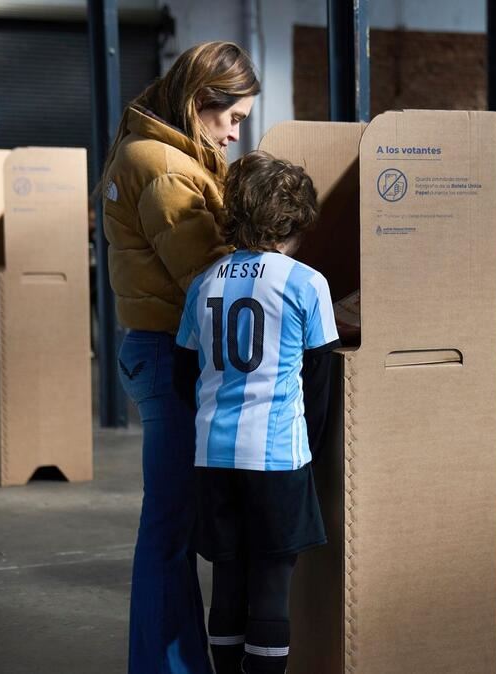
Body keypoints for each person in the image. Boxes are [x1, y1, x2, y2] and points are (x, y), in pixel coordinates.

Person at [100, 41, 260, 673]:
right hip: (170, 354)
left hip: (157, 350)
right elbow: (208, 274)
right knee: (170, 530)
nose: (236, 132)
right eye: (234, 117)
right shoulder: (165, 168)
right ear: (200, 103)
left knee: (172, 525)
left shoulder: (159, 152)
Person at [175, 151, 339, 674]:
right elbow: (319, 381)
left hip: (212, 455)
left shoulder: (204, 282)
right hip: (275, 461)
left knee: (227, 582)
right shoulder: (307, 283)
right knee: (271, 586)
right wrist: (307, 450)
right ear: (295, 220)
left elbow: (185, 373)